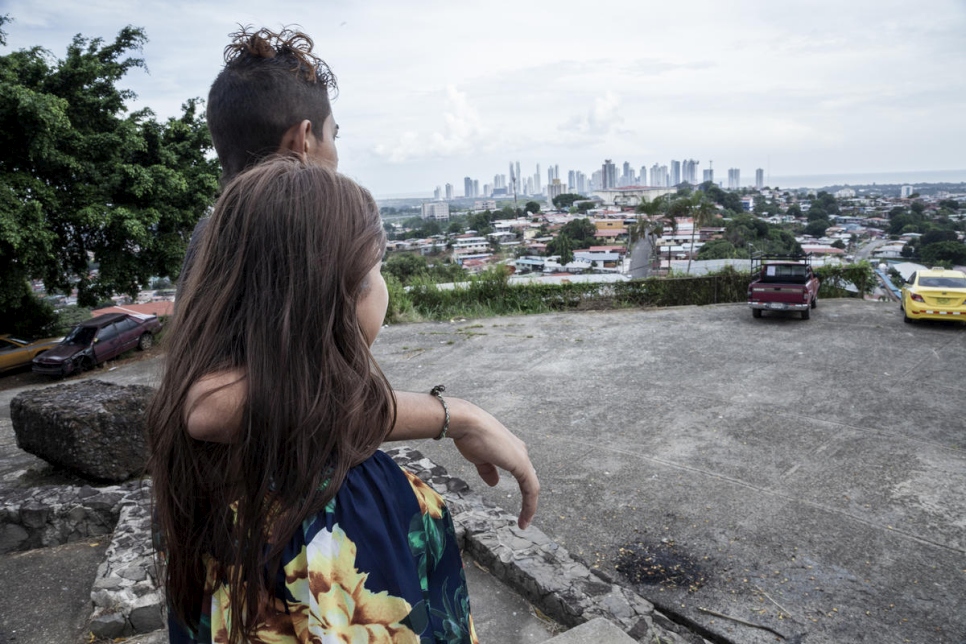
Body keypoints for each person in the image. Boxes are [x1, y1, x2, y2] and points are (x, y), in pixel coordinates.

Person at [181, 26, 538, 529]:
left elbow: (294, 382)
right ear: (303, 139)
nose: (337, 155)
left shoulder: (219, 235)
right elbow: (220, 407)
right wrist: (451, 415)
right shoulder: (273, 236)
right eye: (334, 135)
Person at [150, 157, 478, 642]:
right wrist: (459, 417)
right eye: (377, 267)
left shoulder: (201, 470)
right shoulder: (359, 500)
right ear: (338, 298)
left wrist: (459, 417)